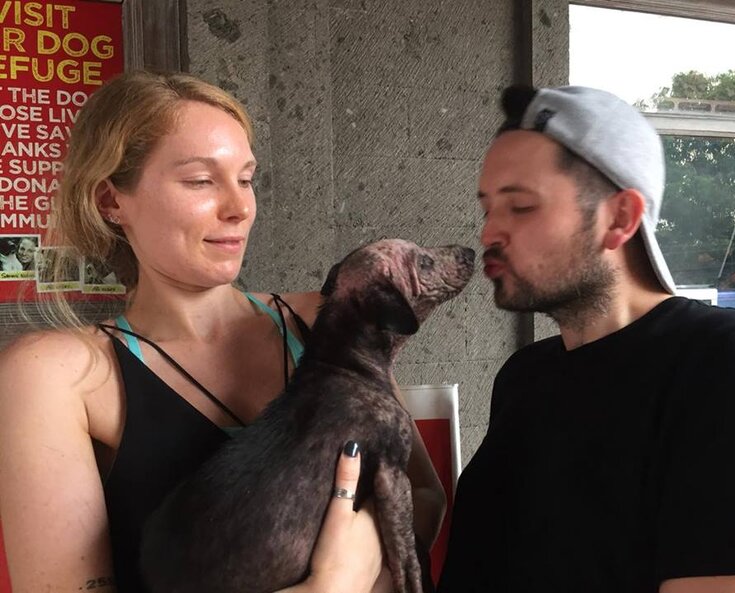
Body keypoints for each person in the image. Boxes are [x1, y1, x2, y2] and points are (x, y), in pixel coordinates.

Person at [0, 70, 445, 593]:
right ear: (111, 201)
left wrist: (356, 554)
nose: (239, 208)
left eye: (247, 178)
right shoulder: (59, 374)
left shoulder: (324, 319)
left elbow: (423, 492)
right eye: (200, 180)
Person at [438, 85, 735, 593]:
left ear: (620, 218)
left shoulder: (729, 363)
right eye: (487, 208)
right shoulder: (525, 376)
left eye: (520, 207)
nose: (489, 232)